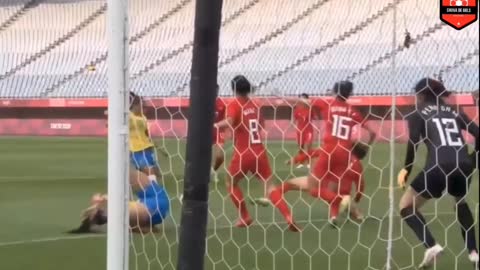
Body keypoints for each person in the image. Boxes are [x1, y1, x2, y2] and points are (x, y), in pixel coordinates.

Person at [269, 81, 376, 231]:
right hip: (345, 153)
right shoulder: (353, 111)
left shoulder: (327, 104)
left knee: (313, 188)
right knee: (333, 186)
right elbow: (373, 132)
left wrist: (281, 97)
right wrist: (367, 146)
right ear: (349, 94)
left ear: (334, 91)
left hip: (329, 149)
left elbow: (301, 101)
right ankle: (339, 213)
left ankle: (341, 200)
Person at [397, 78, 479, 268]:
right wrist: (471, 160)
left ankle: (431, 246)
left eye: (417, 94)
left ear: (422, 95)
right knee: (460, 202)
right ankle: (474, 253)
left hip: (437, 167)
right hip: (463, 165)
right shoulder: (455, 111)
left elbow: (413, 143)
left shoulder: (417, 113)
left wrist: (406, 169)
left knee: (406, 205)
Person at [214, 75, 273, 227]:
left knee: (230, 183)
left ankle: (245, 216)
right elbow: (260, 125)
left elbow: (229, 121)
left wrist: (214, 126)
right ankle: (288, 216)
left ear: (233, 89)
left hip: (243, 152)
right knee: (268, 183)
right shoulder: (256, 104)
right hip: (259, 150)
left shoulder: (234, 104)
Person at [68, 167, 170, 233]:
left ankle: (103, 215)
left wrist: (103, 199)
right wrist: (104, 199)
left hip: (153, 204)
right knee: (120, 211)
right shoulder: (123, 214)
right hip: (154, 206)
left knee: (122, 172)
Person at [129, 92, 162, 182]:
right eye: (141, 104)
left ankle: (151, 190)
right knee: (149, 173)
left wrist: (154, 144)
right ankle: (153, 191)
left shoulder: (143, 117)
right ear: (134, 105)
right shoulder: (129, 117)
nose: (143, 106)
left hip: (147, 148)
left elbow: (146, 133)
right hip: (137, 150)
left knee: (157, 173)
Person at [287, 93, 315, 168]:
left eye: (303, 98)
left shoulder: (310, 109)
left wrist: (316, 128)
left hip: (309, 130)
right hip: (300, 131)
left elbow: (313, 119)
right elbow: (292, 121)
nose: (301, 100)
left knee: (309, 146)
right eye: (300, 99)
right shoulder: (297, 110)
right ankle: (301, 163)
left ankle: (309, 163)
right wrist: (294, 126)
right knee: (300, 147)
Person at [211, 85, 227, 182]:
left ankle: (214, 172)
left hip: (219, 130)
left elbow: (225, 118)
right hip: (207, 130)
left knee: (219, 156)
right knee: (204, 155)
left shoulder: (221, 104)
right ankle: (205, 173)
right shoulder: (205, 102)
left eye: (216, 90)